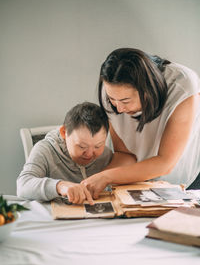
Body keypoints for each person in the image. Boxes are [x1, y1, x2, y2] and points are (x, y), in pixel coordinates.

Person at [81, 48, 200, 198]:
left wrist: (106, 177)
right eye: (112, 99)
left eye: (125, 101)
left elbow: (165, 162)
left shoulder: (182, 85)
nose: (119, 108)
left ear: (147, 90)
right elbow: (124, 155)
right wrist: (97, 180)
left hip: (185, 180)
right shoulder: (112, 92)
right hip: (140, 182)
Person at [17, 102, 113, 204]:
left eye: (98, 146)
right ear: (64, 132)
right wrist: (59, 186)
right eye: (82, 146)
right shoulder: (45, 150)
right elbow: (23, 186)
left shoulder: (106, 155)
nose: (89, 154)